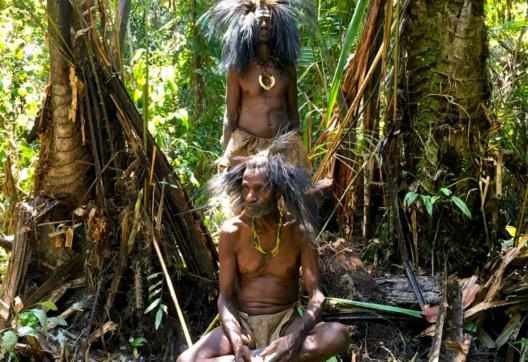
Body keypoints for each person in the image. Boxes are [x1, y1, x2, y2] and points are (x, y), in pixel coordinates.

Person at [177, 149, 349, 362]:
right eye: (246, 188)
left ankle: (263, 357)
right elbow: (225, 298)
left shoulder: (299, 231)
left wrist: (294, 338)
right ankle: (265, 358)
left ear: (279, 191)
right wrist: (237, 342)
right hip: (243, 325)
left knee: (337, 335)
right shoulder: (232, 232)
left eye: (259, 189)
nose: (250, 196)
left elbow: (317, 296)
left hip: (286, 323)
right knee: (185, 361)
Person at [202, 0, 315, 171]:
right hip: (247, 146)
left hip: (282, 145)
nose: (264, 25)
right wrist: (227, 151)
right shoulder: (238, 68)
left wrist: (295, 146)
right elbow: (231, 116)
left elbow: (293, 113)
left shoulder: (286, 67)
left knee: (291, 196)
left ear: (276, 26)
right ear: (249, 24)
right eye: (260, 21)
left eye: (269, 21)